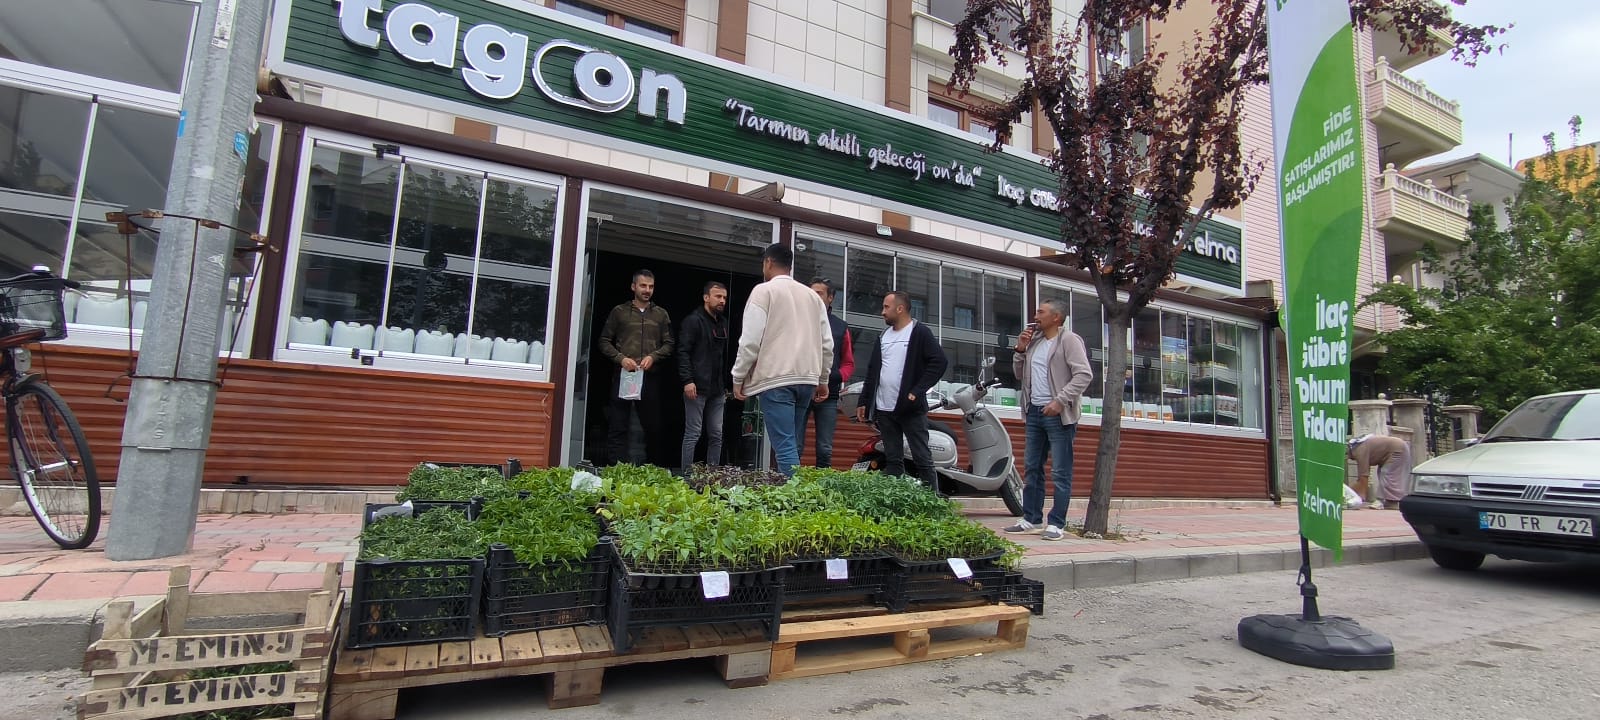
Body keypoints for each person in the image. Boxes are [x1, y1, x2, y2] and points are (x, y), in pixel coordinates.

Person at [730, 244, 834, 478]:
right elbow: (827, 344)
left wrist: (738, 377)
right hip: (807, 378)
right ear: (790, 266)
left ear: (768, 262)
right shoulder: (813, 297)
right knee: (793, 443)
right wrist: (823, 379)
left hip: (777, 379)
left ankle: (795, 495)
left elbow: (750, 341)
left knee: (785, 446)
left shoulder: (763, 291)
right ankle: (794, 490)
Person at [1003, 298, 1093, 541]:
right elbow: (1020, 375)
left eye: (1040, 312)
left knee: (1060, 471)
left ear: (1056, 317)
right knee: (1032, 468)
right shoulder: (1035, 341)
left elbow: (1084, 375)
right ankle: (1031, 519)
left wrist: (1060, 401)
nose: (1035, 316)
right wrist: (1020, 349)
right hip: (1034, 411)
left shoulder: (1069, 340)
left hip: (1058, 414)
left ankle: (1056, 524)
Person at [855, 291, 948, 491]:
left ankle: (932, 501)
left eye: (886, 307)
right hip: (884, 408)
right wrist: (864, 401)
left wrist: (917, 390)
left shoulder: (919, 332)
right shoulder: (883, 336)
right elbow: (872, 371)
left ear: (900, 308)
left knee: (922, 457)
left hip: (910, 408)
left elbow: (939, 362)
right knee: (893, 460)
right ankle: (896, 499)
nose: (882, 312)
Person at [598, 269, 674, 466]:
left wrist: (653, 357)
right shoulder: (619, 312)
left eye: (651, 286)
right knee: (618, 425)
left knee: (653, 427)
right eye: (643, 286)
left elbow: (669, 344)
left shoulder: (660, 314)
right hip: (625, 374)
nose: (647, 290)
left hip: (649, 376)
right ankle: (616, 470)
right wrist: (620, 358)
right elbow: (604, 341)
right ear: (633, 287)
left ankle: (652, 470)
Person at [802, 278, 855, 468]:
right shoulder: (799, 321)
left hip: (829, 395)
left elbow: (848, 363)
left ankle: (821, 484)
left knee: (825, 448)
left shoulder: (841, 327)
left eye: (819, 293)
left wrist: (834, 377)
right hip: (802, 390)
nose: (814, 297)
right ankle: (791, 483)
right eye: (811, 293)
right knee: (795, 444)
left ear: (830, 297)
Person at [677, 281, 730, 469]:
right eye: (718, 296)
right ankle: (686, 476)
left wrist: (727, 385)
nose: (722, 301)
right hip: (696, 387)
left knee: (716, 434)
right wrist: (687, 380)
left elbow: (725, 356)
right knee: (693, 433)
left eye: (724, 297)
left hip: (717, 389)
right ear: (706, 297)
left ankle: (712, 476)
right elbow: (683, 352)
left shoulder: (723, 323)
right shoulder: (693, 321)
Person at [1347, 434, 1412, 509]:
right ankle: (1391, 502)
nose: (1350, 459)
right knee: (1384, 474)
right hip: (1396, 448)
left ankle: (1380, 501)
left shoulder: (1358, 451)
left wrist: (1357, 497)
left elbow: (1363, 477)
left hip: (1397, 450)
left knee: (1387, 474)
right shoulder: (1356, 445)